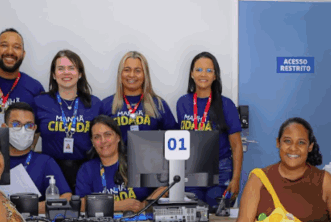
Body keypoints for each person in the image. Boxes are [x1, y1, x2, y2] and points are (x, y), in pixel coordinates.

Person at [176, 52, 243, 208]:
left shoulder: (226, 105)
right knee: (192, 212)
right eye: (198, 70)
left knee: (216, 209)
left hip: (220, 170)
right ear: (192, 74)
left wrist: (236, 179)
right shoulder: (182, 103)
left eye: (209, 70)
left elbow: (236, 145)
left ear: (215, 76)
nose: (203, 74)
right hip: (191, 170)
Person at [35, 50, 102, 192]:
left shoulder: (95, 104)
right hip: (50, 171)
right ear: (54, 74)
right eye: (61, 68)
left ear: (80, 73)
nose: (66, 72)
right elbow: (31, 141)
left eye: (71, 68)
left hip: (86, 171)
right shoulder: (40, 102)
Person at [75, 115, 165, 213]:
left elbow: (165, 187)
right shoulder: (87, 169)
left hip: (140, 220)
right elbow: (81, 205)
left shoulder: (139, 161)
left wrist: (145, 205)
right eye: (97, 137)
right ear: (92, 142)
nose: (103, 141)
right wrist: (117, 205)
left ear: (118, 137)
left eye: (108, 135)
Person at [1, 101, 71, 214]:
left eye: (29, 125)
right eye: (16, 124)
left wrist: (29, 207)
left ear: (34, 129)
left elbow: (67, 197)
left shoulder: (45, 162)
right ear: (4, 127)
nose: (23, 130)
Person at [100, 51, 178, 143]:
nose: (132, 75)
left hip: (150, 153)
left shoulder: (158, 104)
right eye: (127, 70)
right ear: (120, 73)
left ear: (145, 75)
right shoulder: (106, 104)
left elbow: (175, 138)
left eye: (137, 71)